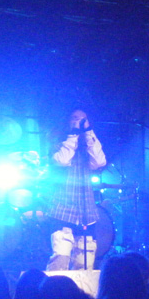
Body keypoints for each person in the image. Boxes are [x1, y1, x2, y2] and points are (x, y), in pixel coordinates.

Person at [45, 107, 106, 270]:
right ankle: (54, 293)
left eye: (83, 119)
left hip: (87, 212)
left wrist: (88, 132)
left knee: (85, 264)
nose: (79, 121)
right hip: (62, 209)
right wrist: (72, 134)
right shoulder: (57, 143)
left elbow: (99, 162)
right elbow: (62, 160)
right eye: (75, 118)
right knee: (60, 260)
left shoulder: (88, 147)